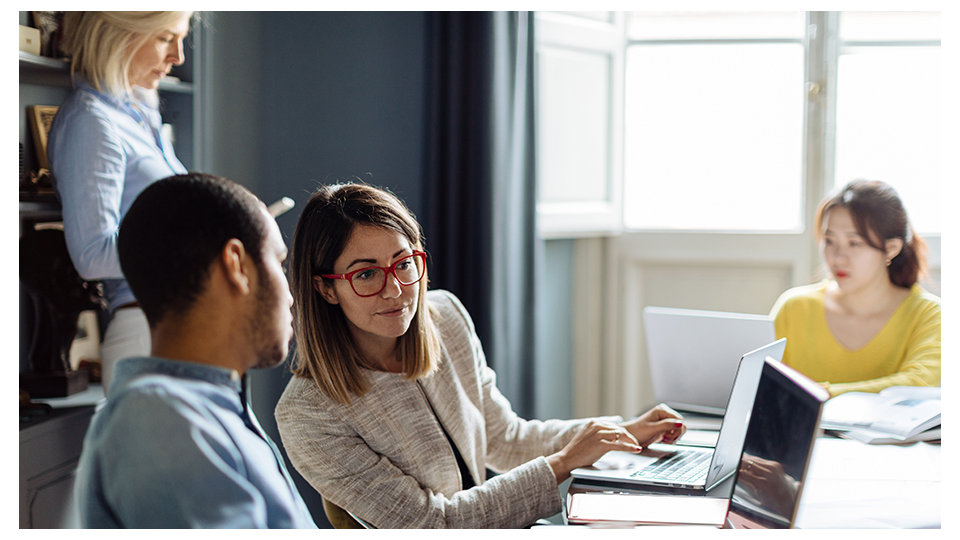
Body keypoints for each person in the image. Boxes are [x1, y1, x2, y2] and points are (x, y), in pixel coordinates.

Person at [274, 182, 686, 528]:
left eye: (403, 263)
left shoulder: (445, 318)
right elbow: (435, 526)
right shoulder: (308, 414)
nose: (396, 289)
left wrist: (619, 434)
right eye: (365, 274)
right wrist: (563, 462)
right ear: (326, 289)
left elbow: (506, 439)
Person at [75, 173, 316, 528]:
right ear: (236, 265)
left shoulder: (202, 408)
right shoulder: (160, 417)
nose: (291, 294)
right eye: (279, 263)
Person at [47, 11, 194, 390]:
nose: (178, 56)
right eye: (165, 38)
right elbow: (92, 254)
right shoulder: (91, 121)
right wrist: (202, 243)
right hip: (148, 334)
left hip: (176, 327)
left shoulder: (132, 116)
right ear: (116, 35)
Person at [769, 180, 940, 396]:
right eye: (829, 240)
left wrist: (819, 394)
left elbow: (917, 384)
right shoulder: (794, 308)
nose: (838, 257)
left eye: (854, 243)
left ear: (891, 249)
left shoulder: (927, 314)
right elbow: (760, 383)